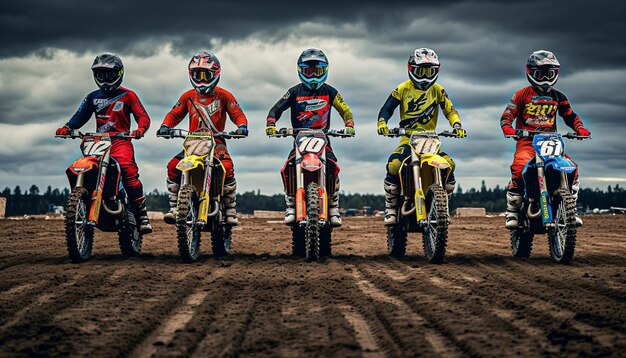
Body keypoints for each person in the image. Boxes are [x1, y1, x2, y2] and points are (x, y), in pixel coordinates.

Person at [55, 53, 153, 234]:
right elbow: (80, 116)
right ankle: (84, 200)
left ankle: (141, 216)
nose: (105, 79)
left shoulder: (128, 95)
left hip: (121, 141)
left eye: (109, 74)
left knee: (127, 169)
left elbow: (142, 116)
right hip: (98, 141)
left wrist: (140, 129)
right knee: (85, 167)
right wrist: (67, 127)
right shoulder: (93, 97)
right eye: (100, 74)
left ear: (119, 73)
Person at [265, 48, 355, 227]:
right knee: (288, 166)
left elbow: (345, 110)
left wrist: (349, 125)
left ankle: (334, 205)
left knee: (333, 165)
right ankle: (291, 204)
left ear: (325, 71)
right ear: (301, 71)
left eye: (317, 71)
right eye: (308, 71)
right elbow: (276, 109)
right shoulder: (294, 92)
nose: (313, 75)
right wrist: (271, 124)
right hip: (300, 138)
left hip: (323, 138)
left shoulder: (330, 92)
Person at [501, 50, 590, 229]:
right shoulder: (521, 95)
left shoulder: (558, 96)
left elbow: (570, 115)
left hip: (551, 142)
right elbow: (507, 115)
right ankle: (512, 211)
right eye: (540, 74)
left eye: (549, 74)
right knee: (519, 166)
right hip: (527, 142)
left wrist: (579, 128)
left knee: (572, 167)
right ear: (530, 72)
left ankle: (570, 208)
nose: (545, 79)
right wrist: (509, 128)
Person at [157, 51, 248, 226]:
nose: (202, 79)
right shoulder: (188, 96)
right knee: (172, 166)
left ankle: (230, 210)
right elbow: (174, 114)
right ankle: (175, 207)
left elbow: (237, 113)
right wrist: (165, 126)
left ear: (215, 74)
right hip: (192, 144)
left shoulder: (224, 95)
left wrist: (242, 126)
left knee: (227, 167)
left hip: (217, 143)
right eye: (197, 75)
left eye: (206, 75)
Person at [377, 48, 466, 226]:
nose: (425, 76)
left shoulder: (438, 91)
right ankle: (391, 208)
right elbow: (387, 108)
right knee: (394, 165)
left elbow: (450, 110)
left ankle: (442, 205)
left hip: (431, 140)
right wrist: (382, 123)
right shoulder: (402, 89)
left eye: (429, 71)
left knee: (450, 165)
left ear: (436, 72)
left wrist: (456, 125)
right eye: (421, 71)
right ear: (411, 69)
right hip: (407, 140)